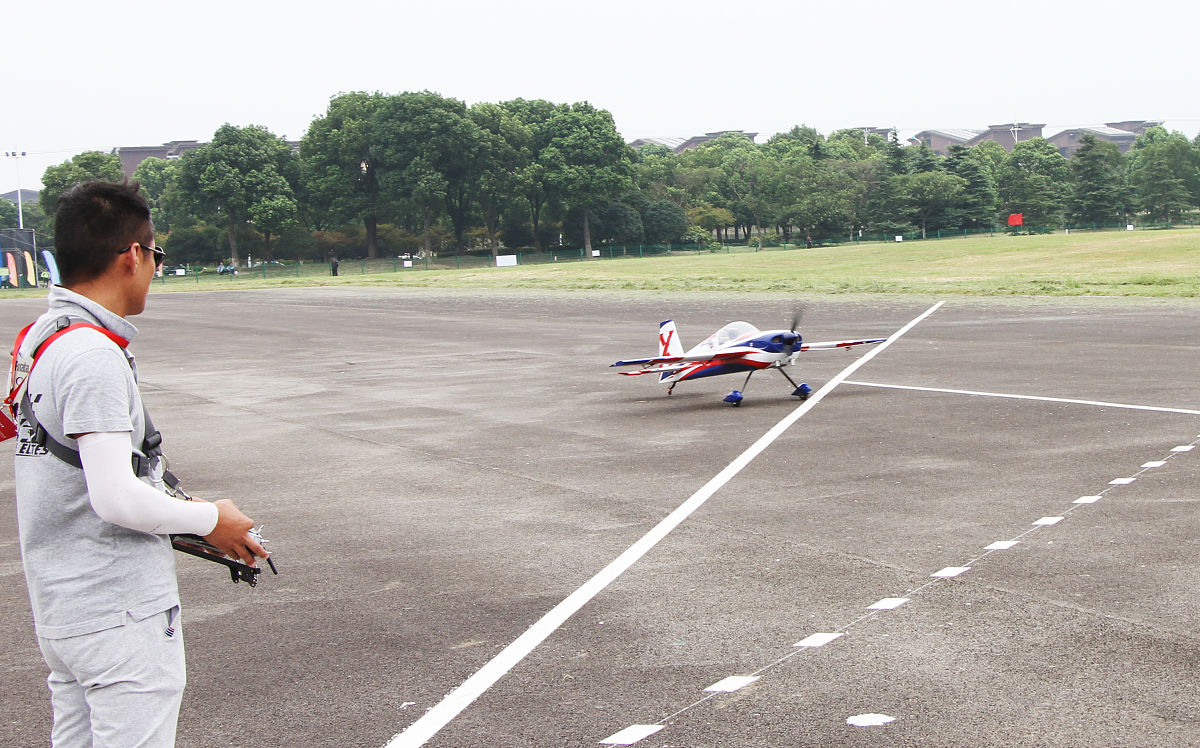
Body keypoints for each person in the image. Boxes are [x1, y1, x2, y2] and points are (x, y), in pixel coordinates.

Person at [13, 181, 267, 747]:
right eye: (156, 255)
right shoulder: (92, 355)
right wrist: (211, 519)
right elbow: (115, 497)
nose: (154, 267)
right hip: (117, 615)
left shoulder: (44, 341)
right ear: (132, 255)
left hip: (65, 609)